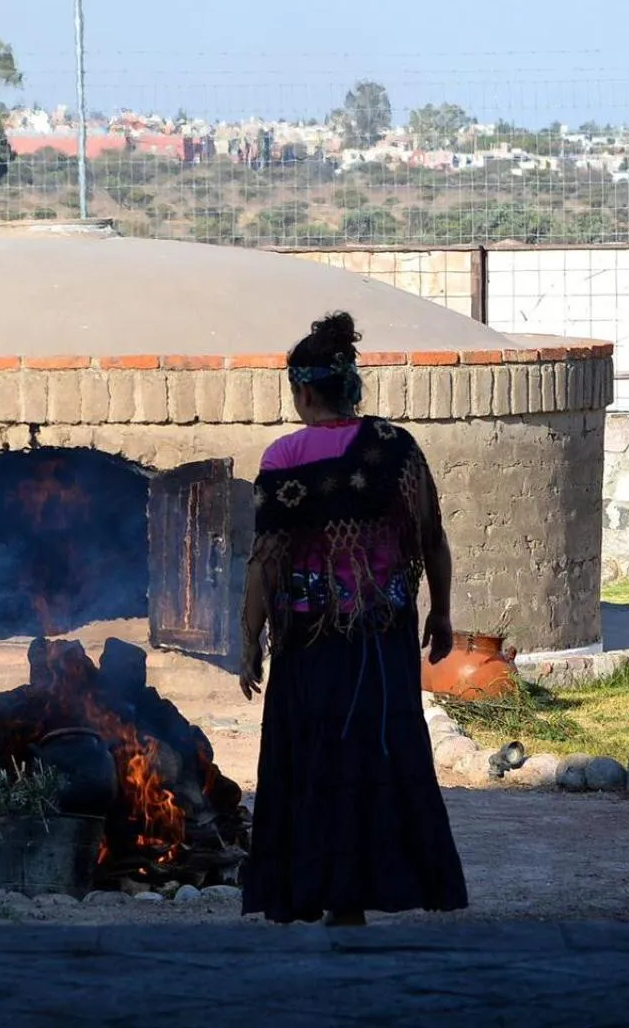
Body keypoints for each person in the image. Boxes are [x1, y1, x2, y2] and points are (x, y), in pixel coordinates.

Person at [238, 310, 469, 926]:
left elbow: (264, 560)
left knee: (310, 759)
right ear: (352, 387)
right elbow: (432, 537)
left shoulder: (284, 456)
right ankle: (353, 900)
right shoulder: (396, 449)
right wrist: (441, 614)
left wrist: (247, 638)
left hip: (307, 642)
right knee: (374, 757)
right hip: (383, 637)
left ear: (304, 391)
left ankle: (308, 890)